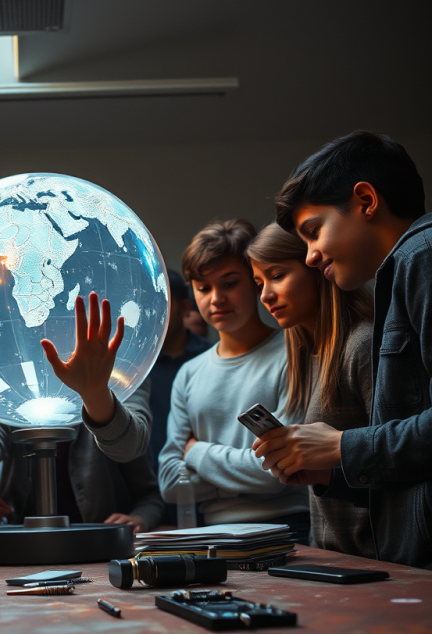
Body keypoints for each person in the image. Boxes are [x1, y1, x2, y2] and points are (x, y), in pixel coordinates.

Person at [256, 130, 431, 568]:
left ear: (366, 201)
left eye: (313, 231)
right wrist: (335, 473)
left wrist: (341, 447)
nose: (311, 255)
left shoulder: (422, 257)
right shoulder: (403, 271)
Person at [0, 292, 165, 533]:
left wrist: (96, 392)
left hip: (100, 546)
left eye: (59, 319)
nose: (49, 329)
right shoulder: (12, 377)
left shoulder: (120, 372)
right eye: (40, 320)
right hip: (26, 550)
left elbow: (130, 448)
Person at [158, 219, 310, 541]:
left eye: (229, 283)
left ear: (256, 282)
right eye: (203, 288)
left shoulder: (295, 355)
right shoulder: (189, 373)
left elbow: (277, 473)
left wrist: (197, 453)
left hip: (286, 530)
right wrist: (246, 472)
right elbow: (169, 484)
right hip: (211, 535)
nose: (216, 298)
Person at [247, 223, 375, 557]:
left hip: (380, 561)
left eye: (277, 275)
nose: (265, 295)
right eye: (259, 283)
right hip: (334, 557)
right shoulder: (308, 356)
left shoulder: (363, 345)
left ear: (316, 269)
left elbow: (402, 469)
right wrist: (320, 473)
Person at [149, 270, 212, 474]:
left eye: (163, 302)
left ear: (185, 307)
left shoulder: (209, 359)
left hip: (202, 478)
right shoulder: (135, 369)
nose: (154, 312)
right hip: (148, 485)